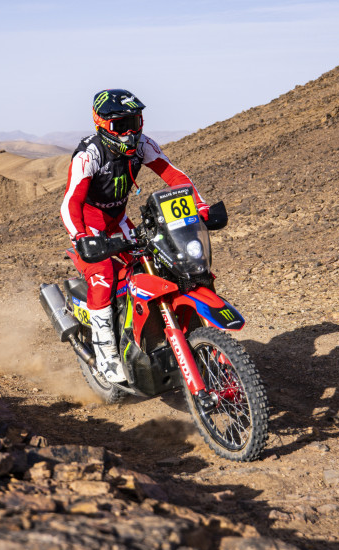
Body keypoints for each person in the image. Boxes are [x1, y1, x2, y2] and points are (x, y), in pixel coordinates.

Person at [60, 88, 210, 383]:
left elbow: (175, 177)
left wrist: (201, 206)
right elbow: (70, 203)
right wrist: (80, 237)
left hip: (120, 220)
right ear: (101, 124)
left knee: (161, 262)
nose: (129, 132)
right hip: (90, 226)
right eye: (121, 125)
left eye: (135, 122)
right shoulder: (89, 154)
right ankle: (106, 355)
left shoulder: (143, 145)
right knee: (103, 274)